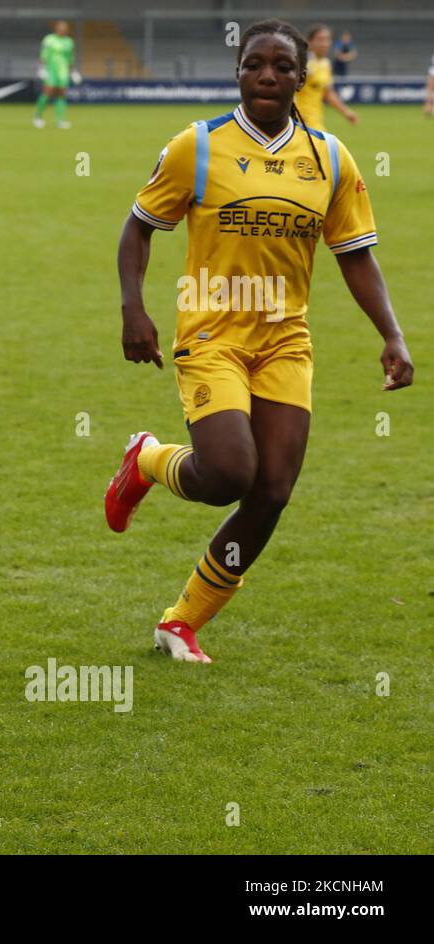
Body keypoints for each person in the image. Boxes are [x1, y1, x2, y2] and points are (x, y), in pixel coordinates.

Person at [108, 19, 413, 663]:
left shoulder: (330, 158)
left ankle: (181, 620)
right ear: (238, 72)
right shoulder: (197, 146)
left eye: (280, 66)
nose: (266, 76)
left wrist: (392, 334)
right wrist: (134, 309)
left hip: (285, 341)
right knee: (227, 475)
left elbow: (355, 255)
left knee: (272, 488)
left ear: (303, 79)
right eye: (253, 65)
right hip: (212, 331)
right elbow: (139, 229)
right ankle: (148, 461)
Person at [295, 24, 357, 130]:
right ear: (309, 42)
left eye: (327, 39)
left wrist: (346, 112)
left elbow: (328, 93)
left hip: (315, 120)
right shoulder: (303, 63)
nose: (324, 43)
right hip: (300, 121)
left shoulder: (325, 64)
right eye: (320, 39)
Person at [34, 20, 76, 129]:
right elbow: (44, 54)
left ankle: (60, 121)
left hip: (63, 72)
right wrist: (42, 68)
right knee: (48, 91)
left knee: (61, 94)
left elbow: (70, 58)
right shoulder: (49, 39)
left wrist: (73, 72)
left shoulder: (69, 42)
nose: (62, 30)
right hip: (51, 70)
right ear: (56, 29)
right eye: (61, 28)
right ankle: (38, 116)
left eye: (65, 28)